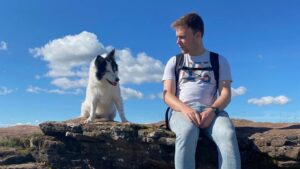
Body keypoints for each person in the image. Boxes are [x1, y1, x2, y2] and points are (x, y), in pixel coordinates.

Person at [162, 12, 241, 169]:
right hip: (181, 111)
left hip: (212, 112)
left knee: (228, 135)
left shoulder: (219, 60)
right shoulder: (174, 61)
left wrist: (212, 111)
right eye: (177, 37)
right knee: (187, 132)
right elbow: (167, 95)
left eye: (182, 37)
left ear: (197, 35)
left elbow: (225, 94)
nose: (178, 42)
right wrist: (185, 109)